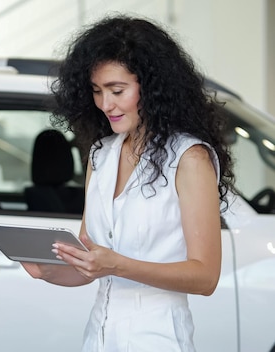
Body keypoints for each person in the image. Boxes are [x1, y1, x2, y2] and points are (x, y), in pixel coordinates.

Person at [22, 15, 234, 351]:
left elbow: (205, 276)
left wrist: (117, 265)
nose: (106, 104)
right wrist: (48, 271)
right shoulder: (100, 155)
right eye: (96, 91)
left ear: (150, 87)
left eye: (117, 90)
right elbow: (90, 262)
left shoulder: (189, 158)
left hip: (158, 337)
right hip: (99, 336)